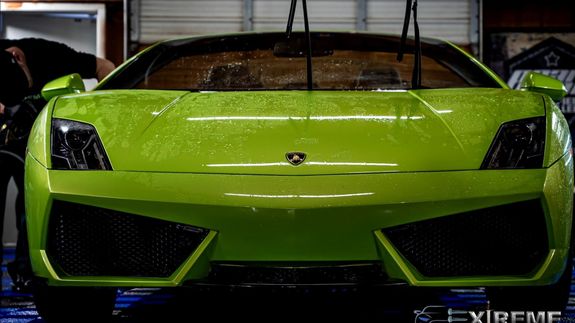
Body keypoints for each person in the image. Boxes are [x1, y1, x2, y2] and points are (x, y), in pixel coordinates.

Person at [0, 38, 115, 291]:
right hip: (3, 138)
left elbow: (105, 67)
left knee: (30, 207)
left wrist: (103, 114)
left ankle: (26, 271)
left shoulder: (51, 54)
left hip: (37, 142)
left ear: (18, 57)